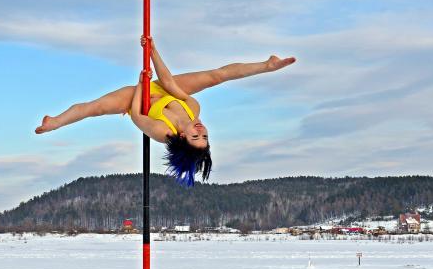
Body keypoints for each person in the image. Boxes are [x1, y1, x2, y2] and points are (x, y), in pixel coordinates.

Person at [35, 36, 296, 186]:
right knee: (216, 76)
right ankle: (266, 65)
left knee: (97, 108)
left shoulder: (162, 131)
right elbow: (169, 83)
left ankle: (56, 122)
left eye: (196, 136)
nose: (201, 130)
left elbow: (137, 117)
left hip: (140, 99)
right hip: (165, 88)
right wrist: (152, 51)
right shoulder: (193, 108)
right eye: (204, 136)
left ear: (182, 137)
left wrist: (142, 83)